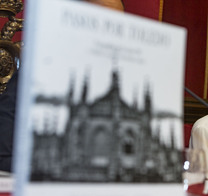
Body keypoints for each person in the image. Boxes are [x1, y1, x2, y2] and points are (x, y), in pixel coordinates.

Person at [0, 0, 125, 172]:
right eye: (96, 23)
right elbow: (4, 154)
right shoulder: (40, 70)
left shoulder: (133, 78)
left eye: (116, 26)